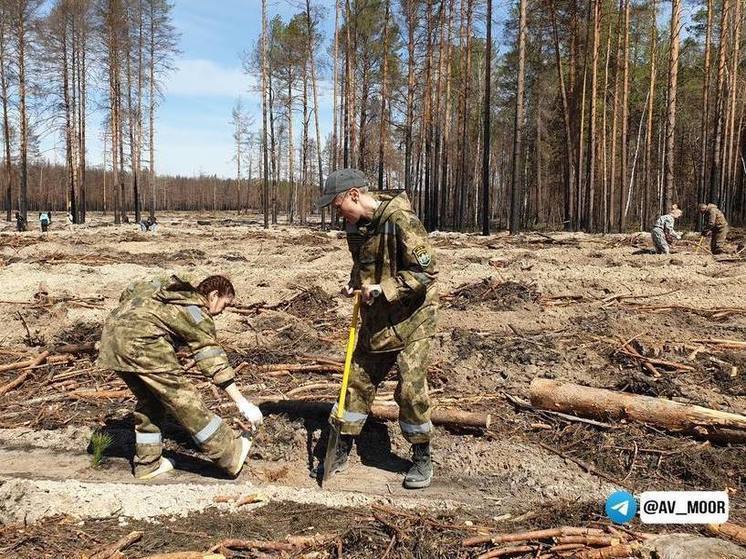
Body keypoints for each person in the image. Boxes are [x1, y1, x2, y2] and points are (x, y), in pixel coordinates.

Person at [315, 168, 438, 489]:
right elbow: (363, 267)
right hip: (377, 316)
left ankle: (422, 455)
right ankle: (339, 447)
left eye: (338, 205)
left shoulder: (401, 220)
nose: (337, 214)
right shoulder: (356, 228)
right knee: (356, 380)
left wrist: (383, 289)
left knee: (410, 390)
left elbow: (425, 274)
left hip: (413, 317)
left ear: (354, 195)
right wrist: (354, 284)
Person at [97, 275, 262, 480]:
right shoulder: (195, 311)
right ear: (213, 295)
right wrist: (242, 402)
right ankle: (230, 453)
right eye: (225, 305)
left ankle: (147, 464)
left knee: (151, 402)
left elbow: (129, 291)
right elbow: (211, 358)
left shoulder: (169, 294)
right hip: (142, 344)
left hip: (111, 343)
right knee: (184, 400)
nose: (221, 312)